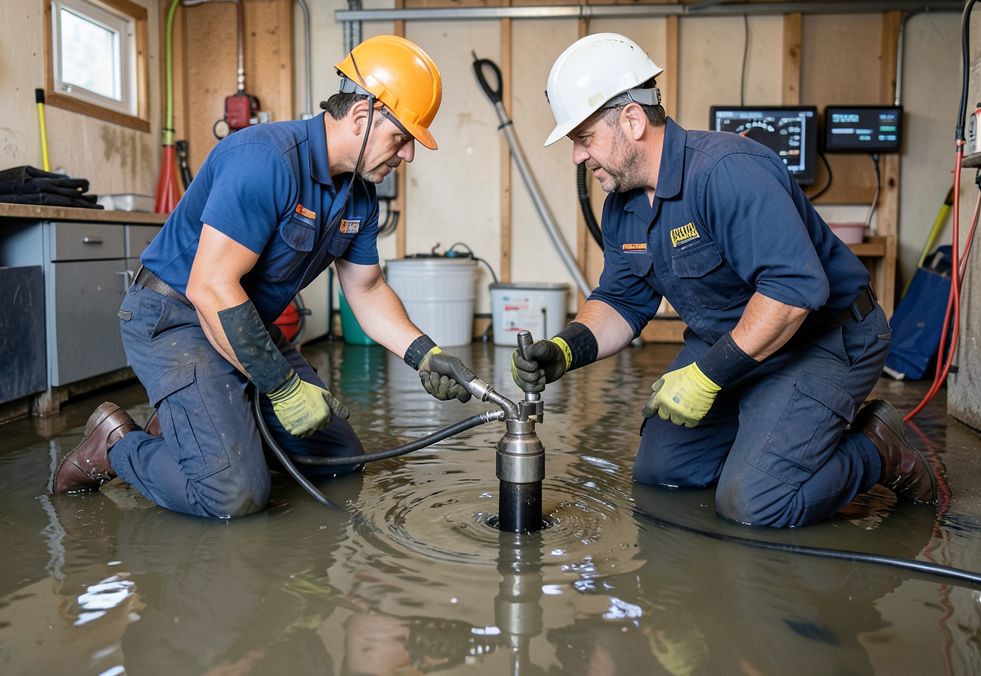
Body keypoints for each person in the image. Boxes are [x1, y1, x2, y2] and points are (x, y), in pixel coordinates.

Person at [511, 32, 937, 528]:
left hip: (823, 340)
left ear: (631, 120)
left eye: (584, 139)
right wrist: (565, 350)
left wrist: (708, 375)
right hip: (730, 343)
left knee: (754, 505)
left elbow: (794, 292)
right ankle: (767, 445)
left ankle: (877, 448)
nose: (578, 157)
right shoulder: (622, 207)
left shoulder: (727, 171)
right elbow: (622, 300)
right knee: (662, 475)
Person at [53, 35, 479, 518]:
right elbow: (209, 287)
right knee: (234, 496)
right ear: (363, 116)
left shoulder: (359, 196)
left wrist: (425, 354)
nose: (408, 155)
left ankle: (194, 426)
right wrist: (282, 386)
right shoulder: (265, 159)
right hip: (175, 318)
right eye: (402, 138)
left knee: (338, 462)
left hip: (243, 321)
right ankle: (115, 444)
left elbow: (367, 288)